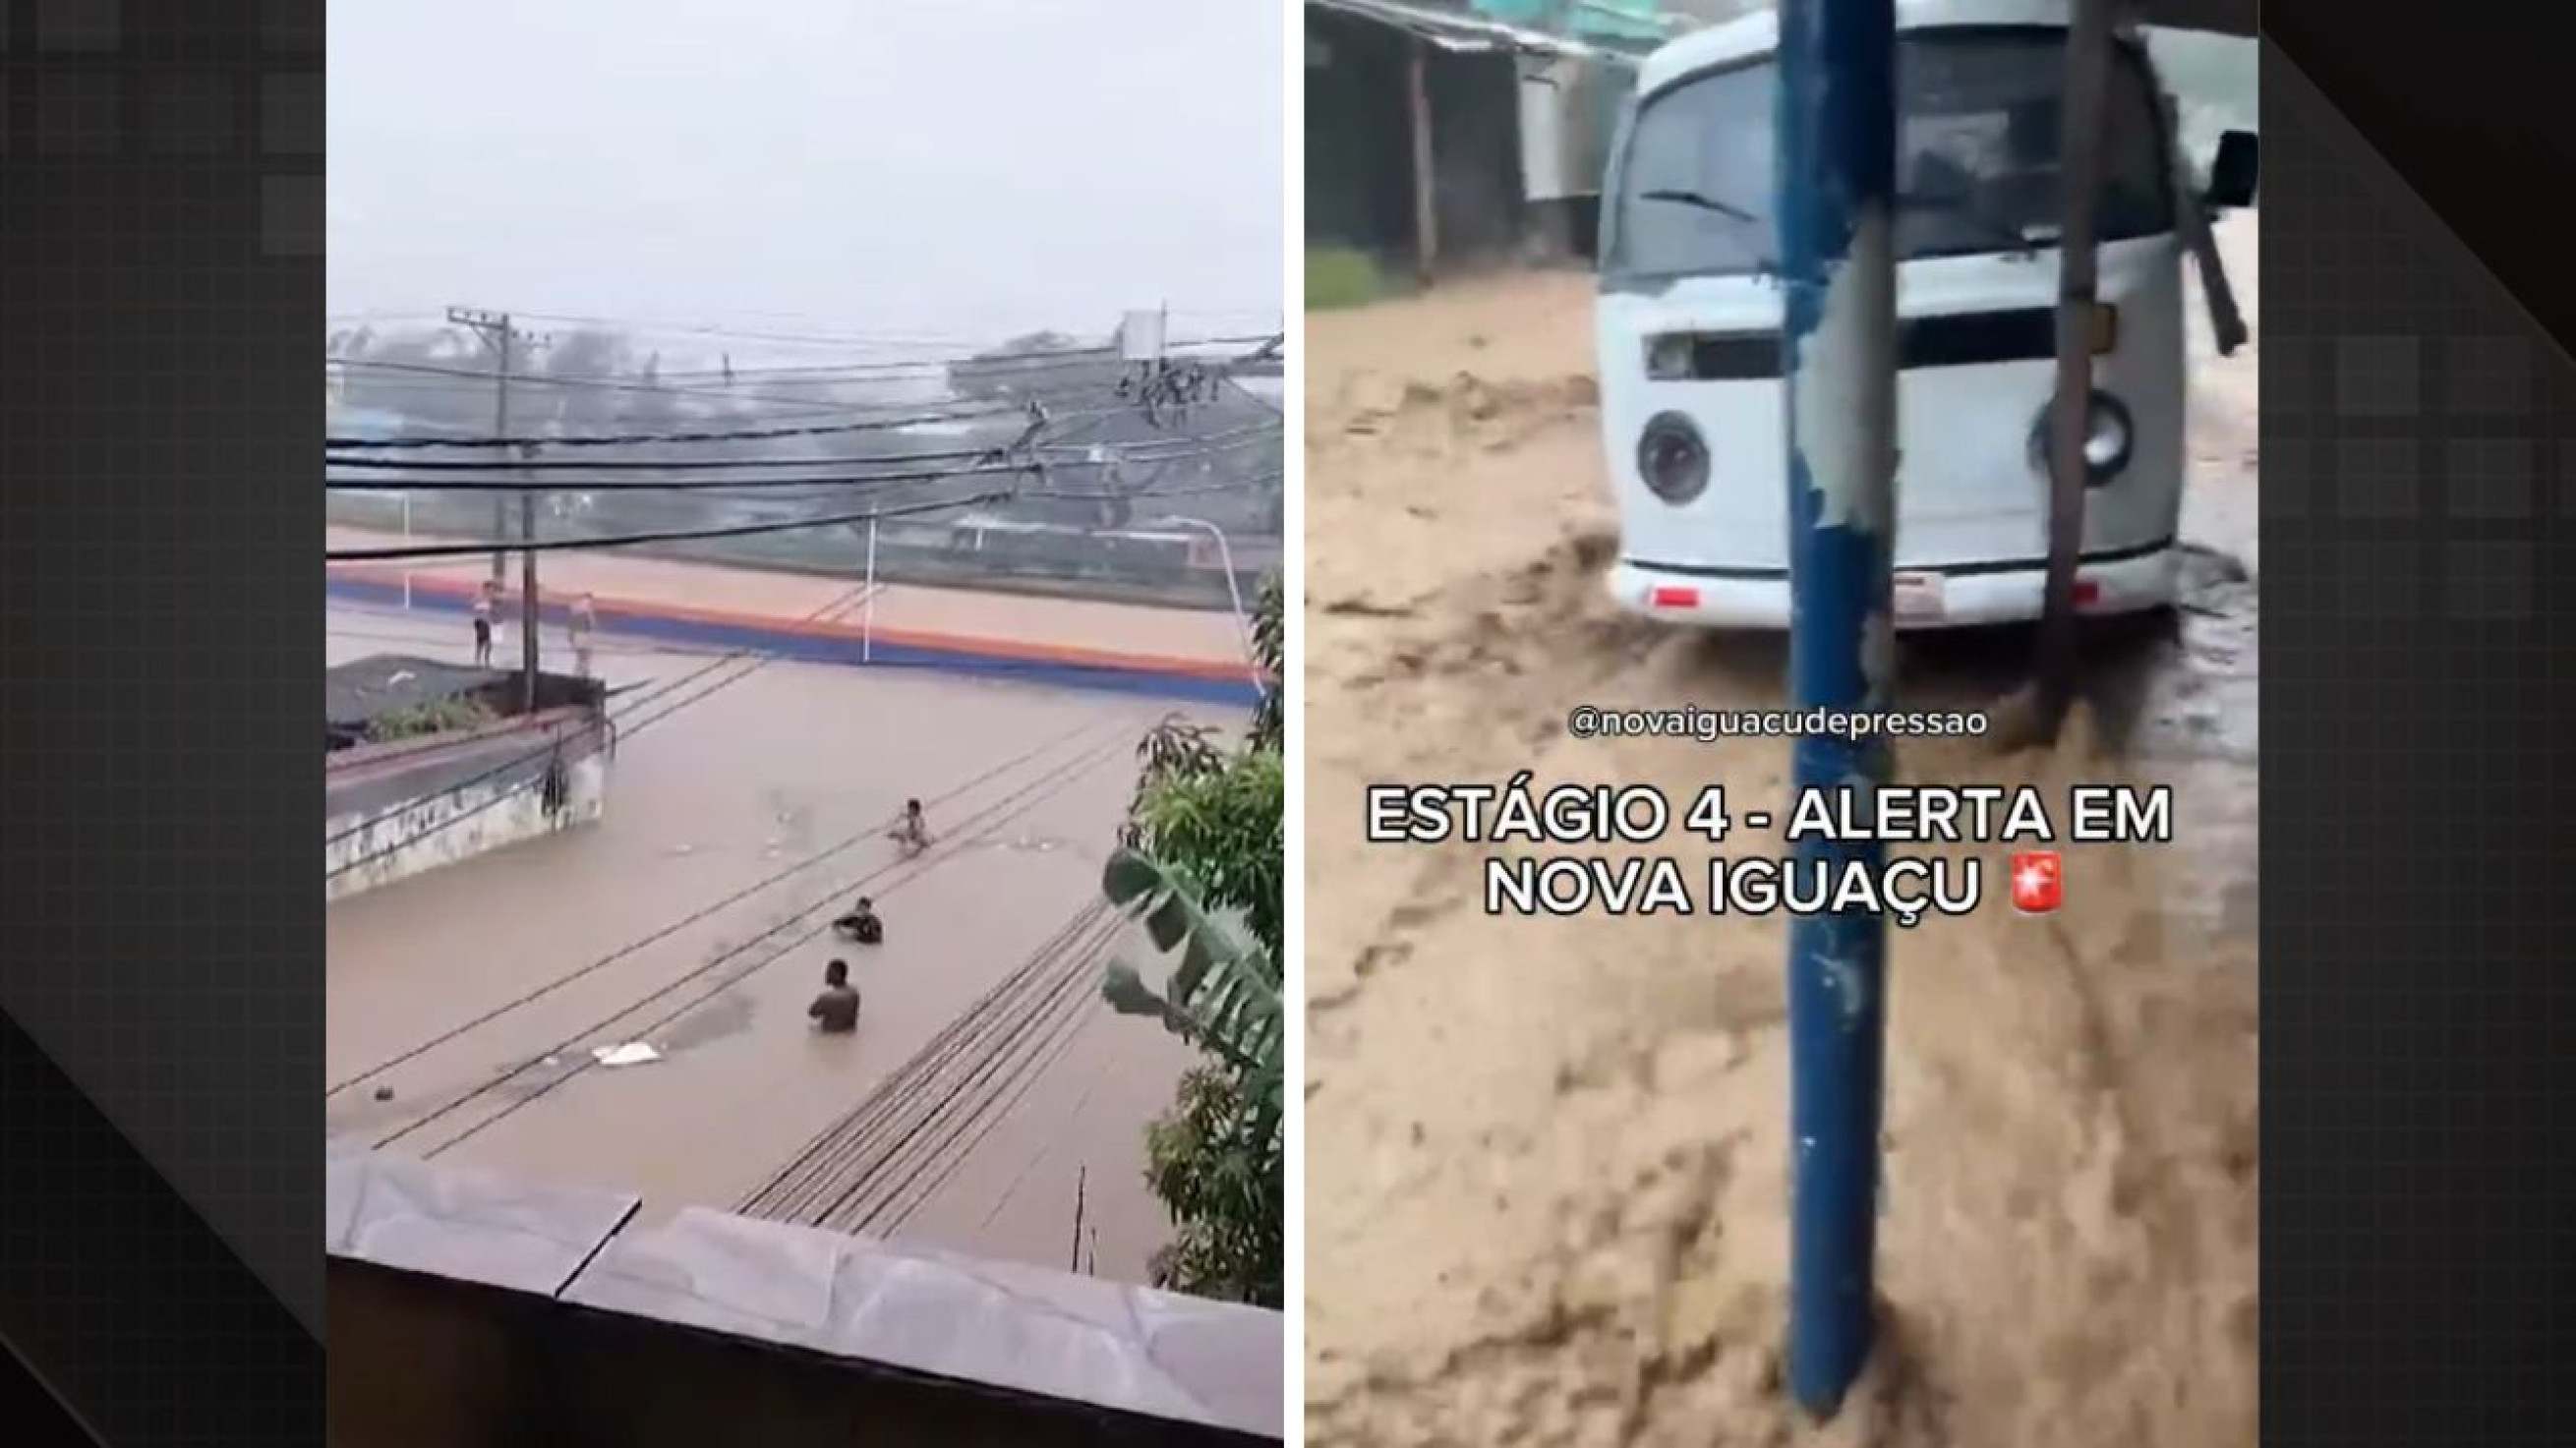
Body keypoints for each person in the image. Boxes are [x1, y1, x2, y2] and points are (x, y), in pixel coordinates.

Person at [808, 959, 860, 1034]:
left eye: (829, 972)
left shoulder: (826, 997)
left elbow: (812, 1013)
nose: (826, 975)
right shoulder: (854, 992)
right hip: (849, 1033)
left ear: (837, 975)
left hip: (829, 1035)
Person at [568, 592, 597, 677]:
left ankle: (579, 674)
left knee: (582, 658)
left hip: (578, 636)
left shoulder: (576, 610)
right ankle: (581, 675)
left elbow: (572, 626)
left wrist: (571, 637)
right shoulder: (586, 610)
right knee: (584, 657)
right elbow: (591, 624)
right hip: (583, 636)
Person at [471, 583, 496, 667]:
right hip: (481, 621)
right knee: (481, 642)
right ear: (485, 588)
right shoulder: (480, 596)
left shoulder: (492, 598)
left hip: (489, 622)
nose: (491, 591)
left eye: (492, 589)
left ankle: (485, 660)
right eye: (490, 589)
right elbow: (475, 606)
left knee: (490, 642)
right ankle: (478, 660)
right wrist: (485, 606)